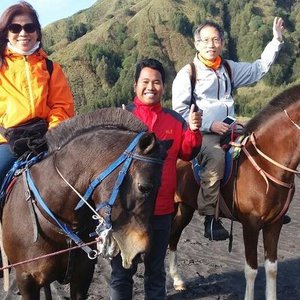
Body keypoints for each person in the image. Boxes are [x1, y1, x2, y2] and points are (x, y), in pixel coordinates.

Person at [172, 17, 285, 241]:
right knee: (215, 158)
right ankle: (210, 217)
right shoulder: (188, 74)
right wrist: (208, 124)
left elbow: (259, 68)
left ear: (222, 42)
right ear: (197, 44)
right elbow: (179, 112)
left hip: (233, 128)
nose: (211, 44)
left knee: (262, 149)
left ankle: (271, 207)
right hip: (203, 134)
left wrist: (276, 40)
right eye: (205, 40)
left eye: (215, 40)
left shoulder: (228, 68)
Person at [109, 58, 202, 300]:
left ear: (164, 87)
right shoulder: (122, 118)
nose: (151, 87)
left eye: (157, 82)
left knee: (155, 273)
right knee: (122, 274)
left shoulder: (174, 120)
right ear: (135, 85)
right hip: (127, 213)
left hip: (161, 211)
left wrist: (193, 130)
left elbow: (187, 152)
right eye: (146, 81)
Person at [0, 1, 75, 189]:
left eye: (29, 27)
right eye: (15, 28)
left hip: (45, 137)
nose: (23, 33)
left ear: (37, 31)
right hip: (7, 142)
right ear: (6, 32)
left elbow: (62, 106)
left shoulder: (51, 68)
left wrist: (53, 133)